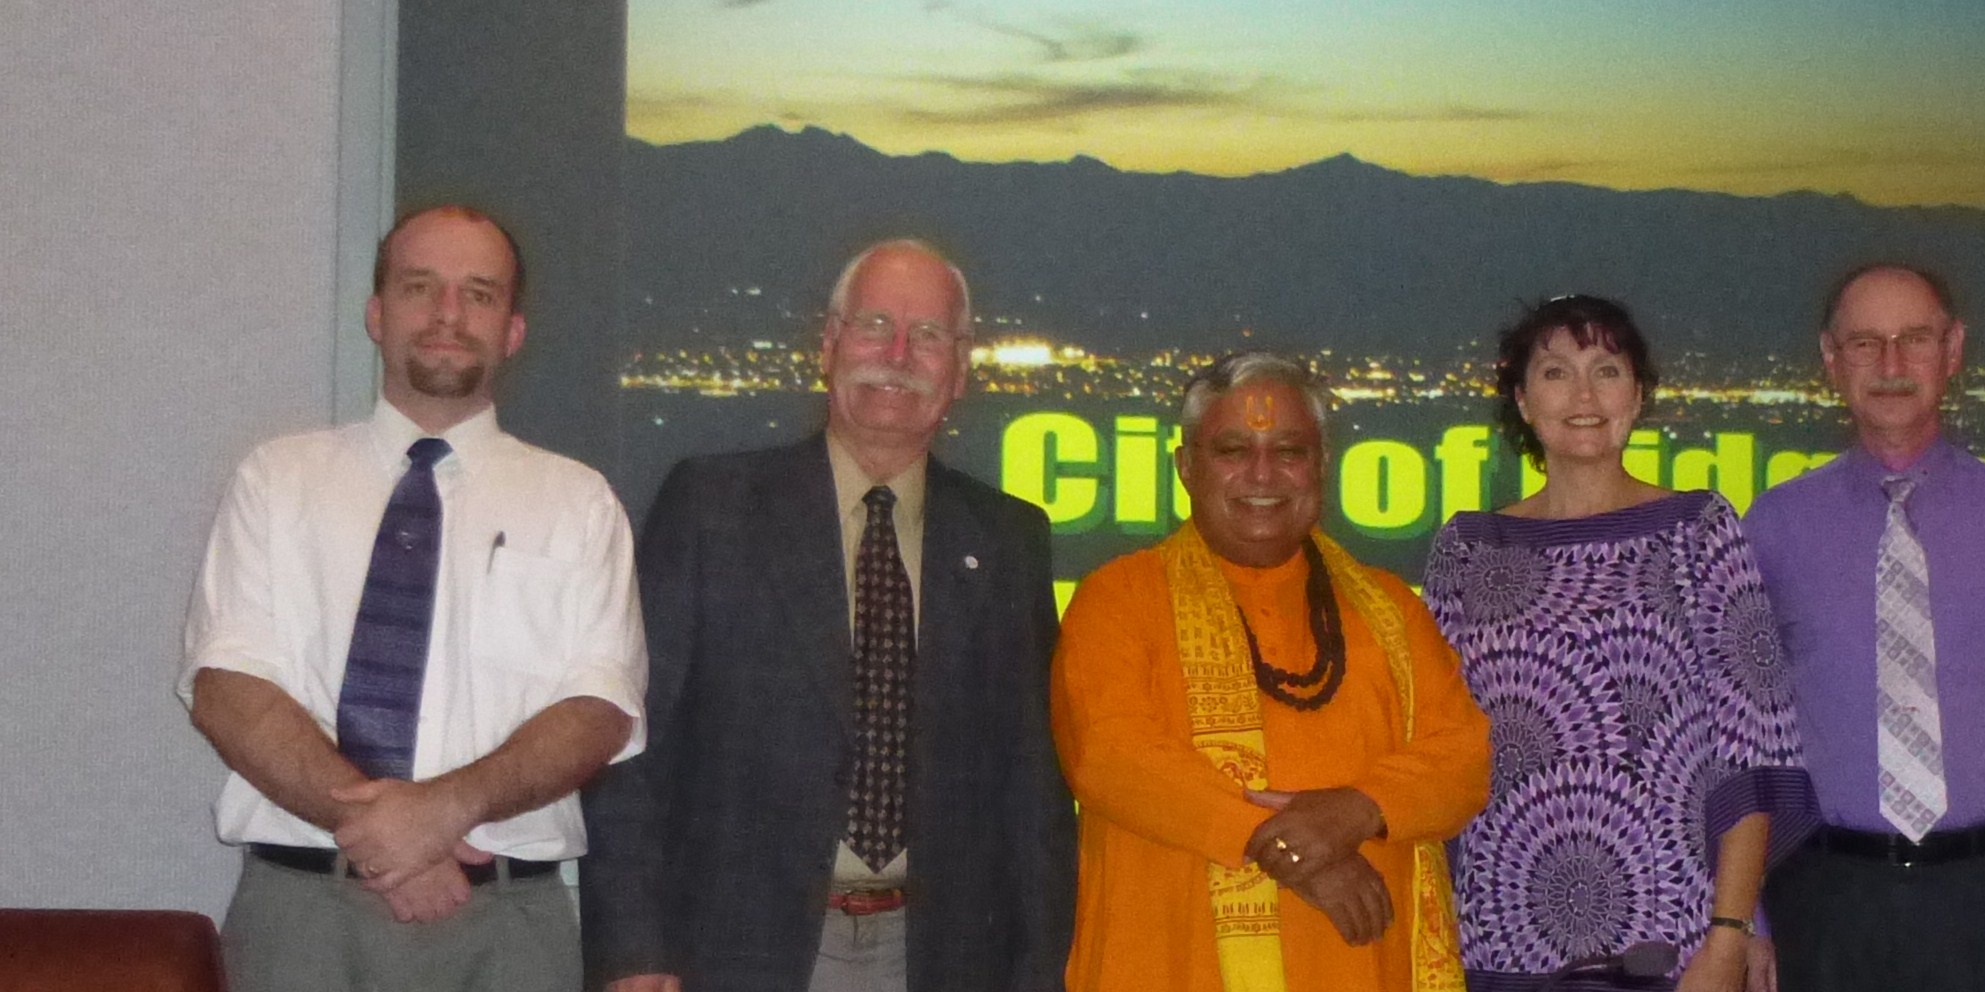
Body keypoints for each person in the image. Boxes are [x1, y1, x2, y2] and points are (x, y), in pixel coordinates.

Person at [580, 239, 1076, 992]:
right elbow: (635, 745)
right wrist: (631, 950)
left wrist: (1041, 972)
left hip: (942, 955)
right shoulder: (713, 508)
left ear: (961, 369)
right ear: (829, 345)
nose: (900, 354)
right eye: (876, 324)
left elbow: (1031, 791)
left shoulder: (1009, 539)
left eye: (930, 335)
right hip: (729, 948)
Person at [180, 204, 649, 992]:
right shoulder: (276, 480)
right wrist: (384, 836)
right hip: (303, 917)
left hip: (504, 930)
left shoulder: (579, 503)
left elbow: (597, 709)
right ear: (376, 313)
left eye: (479, 293)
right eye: (419, 287)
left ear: (512, 329)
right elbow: (229, 690)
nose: (447, 315)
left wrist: (444, 811)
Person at [1743, 264, 1985, 992]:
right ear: (1830, 359)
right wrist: (1748, 922)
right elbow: (1737, 743)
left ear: (1952, 350)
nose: (1890, 365)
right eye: (1864, 343)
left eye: (1913, 339)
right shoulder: (1774, 528)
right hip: (1825, 904)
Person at [1051, 351, 1491, 992]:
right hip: (1173, 961)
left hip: (1358, 964)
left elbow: (1462, 758)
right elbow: (1110, 755)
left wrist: (1356, 813)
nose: (1263, 474)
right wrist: (1285, 849)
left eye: (1289, 451)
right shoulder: (1119, 598)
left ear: (1322, 467)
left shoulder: (1390, 608)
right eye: (1233, 449)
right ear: (1186, 467)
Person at [1420, 295, 1812, 992]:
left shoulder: (1697, 531)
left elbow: (1752, 754)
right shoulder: (1468, 549)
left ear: (1636, 396)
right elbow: (1435, 748)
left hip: (1665, 943)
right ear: (1521, 400)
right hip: (1496, 941)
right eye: (1554, 373)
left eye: (1605, 370)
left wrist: (1727, 937)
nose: (1582, 394)